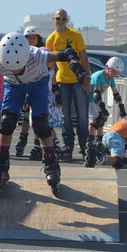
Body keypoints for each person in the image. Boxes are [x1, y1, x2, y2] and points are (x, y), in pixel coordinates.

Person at [0, 32, 85, 196]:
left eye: (19, 66)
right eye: (12, 67)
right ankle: (1, 164)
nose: (17, 70)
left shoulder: (36, 54)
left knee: (40, 124)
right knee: (7, 122)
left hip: (38, 83)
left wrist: (74, 61)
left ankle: (51, 163)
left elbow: (62, 54)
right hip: (14, 86)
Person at [45, 9, 91, 161]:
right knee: (66, 117)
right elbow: (50, 63)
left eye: (64, 19)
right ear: (54, 19)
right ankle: (68, 146)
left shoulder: (75, 35)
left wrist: (87, 79)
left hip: (78, 81)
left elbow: (84, 58)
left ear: (67, 20)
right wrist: (52, 84)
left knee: (82, 116)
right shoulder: (51, 39)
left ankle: (85, 147)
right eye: (58, 18)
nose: (61, 21)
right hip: (62, 81)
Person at [84, 57, 127, 167]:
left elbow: (116, 94)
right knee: (96, 119)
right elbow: (96, 94)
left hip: (95, 100)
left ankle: (99, 142)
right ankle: (89, 142)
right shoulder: (99, 76)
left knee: (103, 118)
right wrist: (103, 108)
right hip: (88, 99)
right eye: (113, 71)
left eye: (117, 72)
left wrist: (121, 107)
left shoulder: (110, 78)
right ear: (107, 67)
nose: (114, 74)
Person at [15, 26, 45, 158]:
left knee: (38, 118)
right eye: (29, 38)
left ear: (38, 39)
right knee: (26, 118)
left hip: (39, 86)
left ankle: (37, 145)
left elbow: (51, 70)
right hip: (25, 85)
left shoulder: (42, 52)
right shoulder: (22, 52)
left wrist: (56, 90)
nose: (31, 40)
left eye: (34, 38)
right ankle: (22, 141)